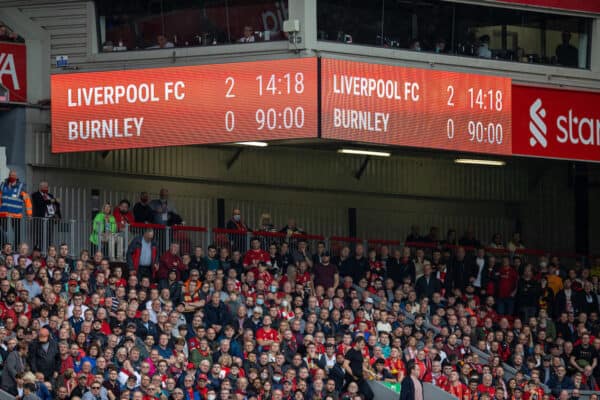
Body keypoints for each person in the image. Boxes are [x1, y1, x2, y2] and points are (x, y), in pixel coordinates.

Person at [0, 170, 32, 244]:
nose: (12, 177)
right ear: (9, 175)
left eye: (14, 176)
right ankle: (3, 246)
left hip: (16, 214)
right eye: (11, 175)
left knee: (17, 233)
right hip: (3, 213)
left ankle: (16, 247)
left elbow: (27, 200)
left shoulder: (21, 186)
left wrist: (29, 213)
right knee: (2, 231)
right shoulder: (3, 185)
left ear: (17, 177)